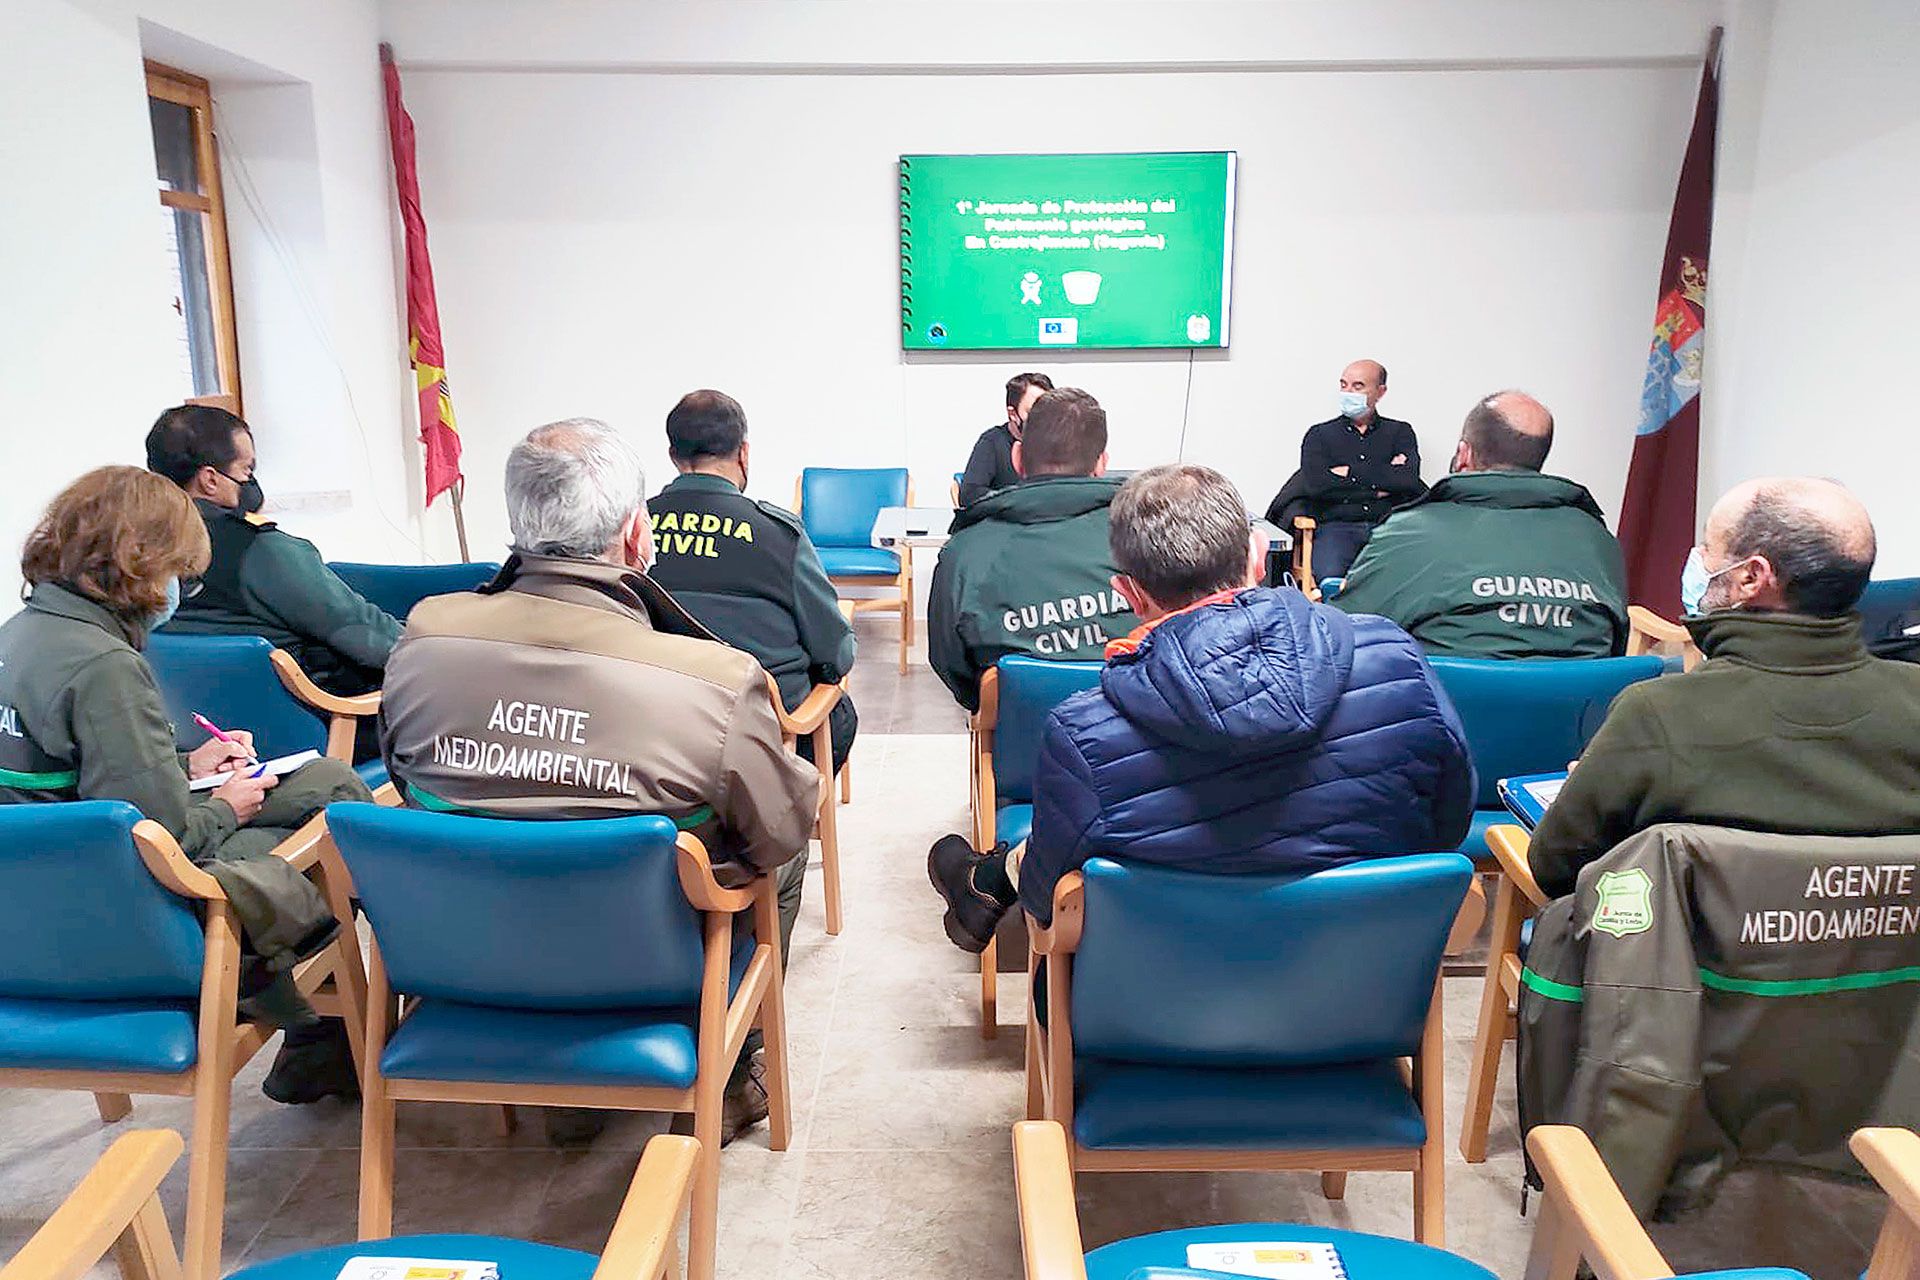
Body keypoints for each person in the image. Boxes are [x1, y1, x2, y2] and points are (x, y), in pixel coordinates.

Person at [378, 418, 819, 1145]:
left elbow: (405, 775)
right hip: (646, 969)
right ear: (637, 534)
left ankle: (565, 1095)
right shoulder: (712, 680)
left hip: (466, 961)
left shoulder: (423, 639)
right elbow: (777, 833)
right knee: (784, 845)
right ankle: (736, 1068)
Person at [928, 464, 1475, 950]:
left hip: (1143, 1030)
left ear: (1130, 595)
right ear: (1260, 557)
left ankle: (988, 879)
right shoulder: (1397, 662)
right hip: (1363, 1007)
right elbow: (1448, 821)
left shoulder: (1083, 732)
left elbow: (1047, 905)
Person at [0, 466, 374, 1103]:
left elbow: (60, 775)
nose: (181, 588)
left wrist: (185, 763)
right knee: (326, 813)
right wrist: (228, 805)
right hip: (124, 904)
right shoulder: (105, 664)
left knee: (322, 781)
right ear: (140, 566)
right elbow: (169, 839)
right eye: (178, 571)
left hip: (34, 906)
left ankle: (319, 1034)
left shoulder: (20, 636)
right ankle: (320, 1021)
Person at [1528, 477, 1920, 898]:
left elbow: (1556, 866)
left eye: (1707, 548)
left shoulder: (1657, 714)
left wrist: (1586, 787)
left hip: (1691, 964)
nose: (1696, 560)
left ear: (1751, 577)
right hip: (1880, 963)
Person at [646, 389, 857, 774]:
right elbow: (835, 652)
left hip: (659, 730)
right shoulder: (777, 533)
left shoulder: (634, 530)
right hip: (763, 736)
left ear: (673, 456)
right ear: (743, 452)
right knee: (839, 714)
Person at [1332, 391, 1629, 657]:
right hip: (1579, 716)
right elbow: (1616, 642)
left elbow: (1337, 641)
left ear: (1464, 454)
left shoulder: (1411, 531)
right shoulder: (1598, 540)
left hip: (1445, 714)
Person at [145, 404, 402, 698]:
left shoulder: (131, 549)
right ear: (210, 480)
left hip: (198, 729)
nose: (250, 481)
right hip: (324, 723)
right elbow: (371, 638)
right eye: (246, 469)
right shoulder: (262, 551)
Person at [928, 387, 1135, 712]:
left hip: (1017, 755)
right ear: (1101, 463)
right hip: (1142, 750)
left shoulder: (963, 554)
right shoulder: (1144, 536)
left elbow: (951, 666)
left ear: (1017, 458)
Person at [1265, 359, 1425, 580]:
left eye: (1358, 386)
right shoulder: (1320, 435)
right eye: (1344, 384)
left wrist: (1348, 472)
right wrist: (1380, 483)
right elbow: (1317, 486)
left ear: (1380, 392)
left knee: (1405, 578)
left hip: (1389, 527)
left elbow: (1406, 480)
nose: (1348, 391)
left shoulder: (1400, 432)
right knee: (1331, 579)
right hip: (1337, 527)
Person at [957, 372, 1053, 506]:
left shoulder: (1060, 441)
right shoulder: (992, 441)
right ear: (1013, 414)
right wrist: (1015, 501)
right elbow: (969, 494)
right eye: (1034, 412)